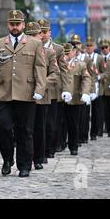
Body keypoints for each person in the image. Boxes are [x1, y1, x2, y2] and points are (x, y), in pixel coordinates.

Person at [0, 10, 47, 178]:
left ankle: (24, 165)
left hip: (26, 94)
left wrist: (40, 89)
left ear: (23, 25)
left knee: (25, 131)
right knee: (3, 128)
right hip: (3, 94)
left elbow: (40, 68)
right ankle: (7, 160)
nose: (14, 27)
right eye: (12, 24)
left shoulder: (34, 44)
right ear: (7, 25)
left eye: (17, 24)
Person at [25, 22, 59, 170]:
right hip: (24, 94)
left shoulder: (50, 52)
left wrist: (41, 84)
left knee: (40, 128)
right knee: (25, 129)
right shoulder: (21, 50)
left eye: (36, 35)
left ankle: (39, 157)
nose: (34, 38)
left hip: (42, 96)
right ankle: (27, 157)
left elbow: (55, 73)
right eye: (30, 35)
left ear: (41, 35)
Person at [37, 19, 71, 158]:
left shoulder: (58, 49)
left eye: (45, 32)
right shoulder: (32, 46)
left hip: (52, 91)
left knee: (52, 123)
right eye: (40, 32)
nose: (42, 35)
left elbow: (64, 70)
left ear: (50, 32)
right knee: (39, 123)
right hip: (37, 91)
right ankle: (41, 150)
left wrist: (67, 89)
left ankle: (50, 149)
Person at [64, 42, 91, 155]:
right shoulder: (59, 64)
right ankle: (58, 144)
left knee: (74, 124)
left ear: (74, 52)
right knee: (57, 123)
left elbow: (86, 79)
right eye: (64, 52)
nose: (66, 55)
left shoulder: (81, 64)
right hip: (61, 98)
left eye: (68, 52)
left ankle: (73, 146)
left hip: (74, 99)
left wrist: (85, 92)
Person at [85, 37, 103, 140]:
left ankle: (94, 133)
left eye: (91, 46)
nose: (89, 48)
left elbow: (105, 71)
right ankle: (84, 134)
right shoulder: (83, 57)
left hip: (96, 86)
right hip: (86, 86)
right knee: (85, 112)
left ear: (94, 47)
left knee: (96, 112)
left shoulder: (99, 58)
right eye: (87, 46)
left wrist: (100, 76)